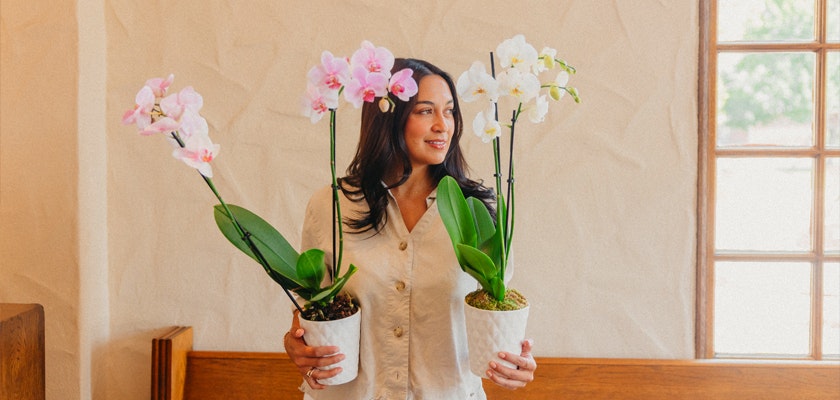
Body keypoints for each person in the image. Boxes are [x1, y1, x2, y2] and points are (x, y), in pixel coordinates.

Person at [283, 58, 536, 399]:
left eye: (449, 112)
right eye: (425, 111)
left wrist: (515, 362)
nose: (443, 125)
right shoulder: (332, 205)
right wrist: (295, 344)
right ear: (389, 118)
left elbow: (497, 315)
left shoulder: (475, 214)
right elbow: (310, 313)